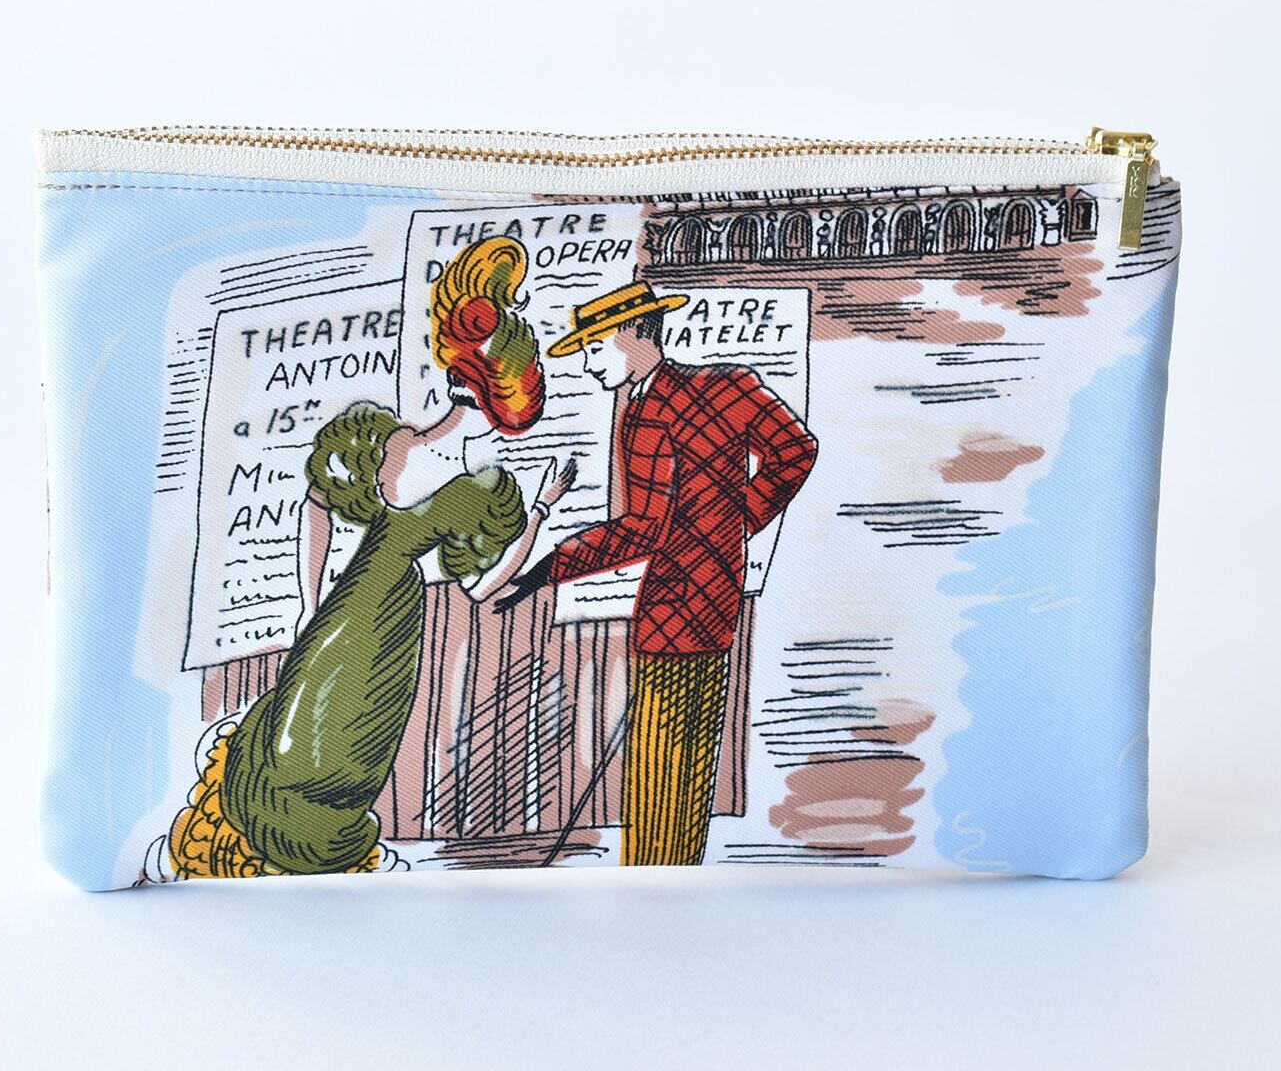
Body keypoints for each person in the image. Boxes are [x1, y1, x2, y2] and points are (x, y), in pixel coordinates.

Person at [164, 237, 574, 879]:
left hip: (344, 603)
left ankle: (267, 836)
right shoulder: (483, 488)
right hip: (391, 623)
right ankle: (303, 842)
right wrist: (543, 509)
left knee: (308, 721)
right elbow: (485, 587)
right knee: (350, 736)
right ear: (503, 407)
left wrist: (310, 605)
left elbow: (317, 503)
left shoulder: (388, 440)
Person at [500, 280, 818, 866]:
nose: (588, 365)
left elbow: (642, 528)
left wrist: (547, 568)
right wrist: (733, 524)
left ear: (634, 335)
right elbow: (796, 451)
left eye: (595, 349)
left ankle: (652, 874)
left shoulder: (655, 412)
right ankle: (672, 873)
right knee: (688, 765)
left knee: (659, 763)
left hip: (672, 611)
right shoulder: (718, 387)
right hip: (715, 601)